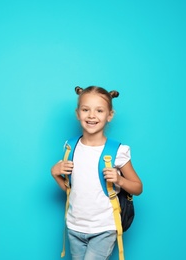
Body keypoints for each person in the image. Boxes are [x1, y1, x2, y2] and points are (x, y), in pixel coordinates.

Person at [51, 86, 143, 260]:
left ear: (109, 115)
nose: (92, 115)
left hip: (104, 228)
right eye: (86, 110)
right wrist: (55, 174)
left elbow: (138, 187)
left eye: (99, 110)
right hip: (74, 226)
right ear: (78, 113)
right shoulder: (70, 147)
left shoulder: (117, 151)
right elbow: (72, 190)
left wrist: (120, 180)